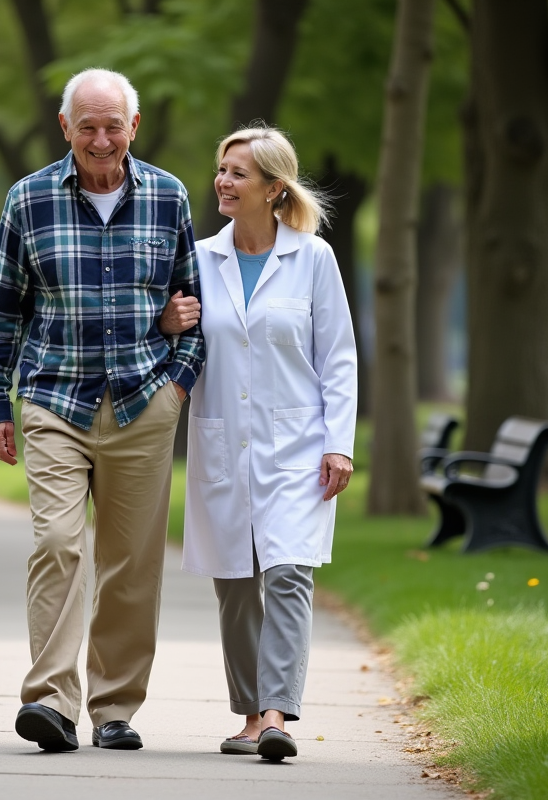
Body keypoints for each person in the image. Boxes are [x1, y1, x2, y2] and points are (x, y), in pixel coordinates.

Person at [0, 68, 205, 753]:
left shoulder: (168, 196)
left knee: (131, 565)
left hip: (143, 399)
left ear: (133, 127)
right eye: (87, 126)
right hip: (55, 399)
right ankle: (49, 701)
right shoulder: (29, 199)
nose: (101, 140)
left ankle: (114, 708)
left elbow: (194, 309)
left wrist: (178, 385)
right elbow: (3, 310)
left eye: (113, 126)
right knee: (57, 543)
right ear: (65, 127)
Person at [161, 126, 356, 760]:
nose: (223, 180)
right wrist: (166, 324)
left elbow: (339, 359)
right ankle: (248, 716)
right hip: (222, 441)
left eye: (238, 173)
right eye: (221, 169)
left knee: (288, 574)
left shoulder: (314, 259)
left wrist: (339, 444)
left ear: (274, 189)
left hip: (298, 446)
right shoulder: (198, 257)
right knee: (236, 584)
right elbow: (175, 346)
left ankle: (275, 715)